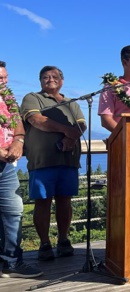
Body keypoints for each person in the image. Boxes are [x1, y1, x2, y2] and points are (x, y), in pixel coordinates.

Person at [20, 66, 87, 261]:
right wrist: (67, 131)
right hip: (43, 160)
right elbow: (37, 120)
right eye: (45, 77)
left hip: (69, 159)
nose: (50, 79)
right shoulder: (32, 98)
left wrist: (71, 139)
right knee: (43, 202)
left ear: (62, 81)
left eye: (54, 76)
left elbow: (81, 124)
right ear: (40, 81)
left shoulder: (70, 102)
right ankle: (44, 243)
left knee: (65, 201)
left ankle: (64, 240)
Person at [0, 61, 43, 278]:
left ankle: (11, 262)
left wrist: (18, 141)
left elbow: (18, 124)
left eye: (5, 77)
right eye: (0, 78)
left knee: (13, 211)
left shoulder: (8, 98)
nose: (4, 81)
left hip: (6, 165)